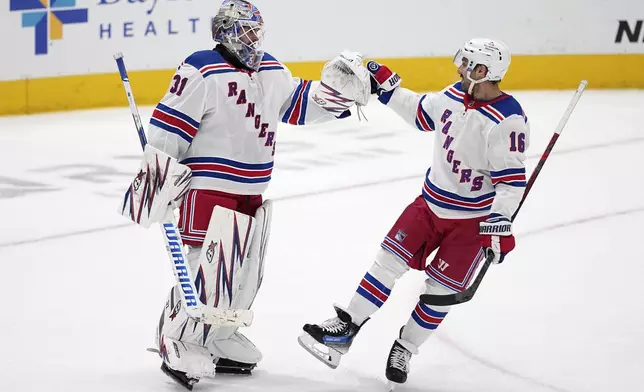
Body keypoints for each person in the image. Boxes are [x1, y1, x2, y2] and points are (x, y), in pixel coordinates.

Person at [118, 1, 370, 389]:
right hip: (208, 189)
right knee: (209, 269)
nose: (255, 40)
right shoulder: (201, 69)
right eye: (247, 32)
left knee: (245, 274)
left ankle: (217, 337)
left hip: (253, 191)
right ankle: (177, 336)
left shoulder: (270, 69)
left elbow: (300, 105)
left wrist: (336, 94)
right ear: (225, 33)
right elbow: (168, 130)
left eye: (258, 31)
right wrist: (159, 182)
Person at [298, 38, 530, 388]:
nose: (459, 68)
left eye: (467, 64)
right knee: (387, 262)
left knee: (439, 292)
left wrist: (499, 223)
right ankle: (346, 327)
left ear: (484, 71)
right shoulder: (453, 94)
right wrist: (388, 88)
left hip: (470, 223)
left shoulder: (507, 120)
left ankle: (405, 348)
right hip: (428, 205)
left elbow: (511, 183)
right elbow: (422, 113)